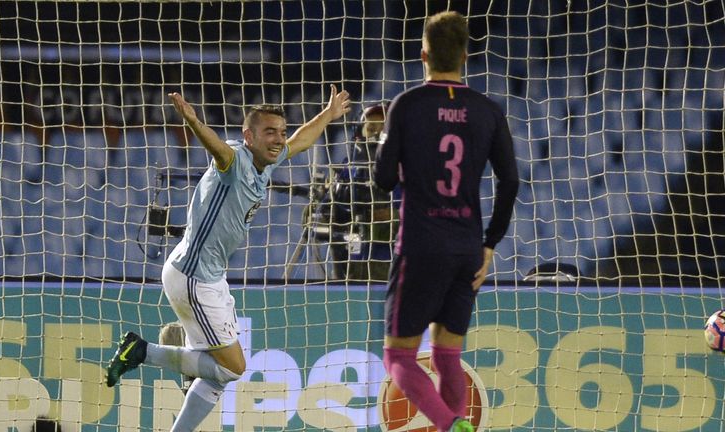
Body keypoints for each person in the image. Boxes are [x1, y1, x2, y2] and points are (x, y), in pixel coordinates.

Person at [105, 85, 351, 431]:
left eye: (280, 132)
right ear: (248, 135)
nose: (279, 139)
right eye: (269, 132)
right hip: (194, 277)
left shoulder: (267, 159)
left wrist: (328, 115)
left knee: (216, 375)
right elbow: (219, 150)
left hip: (205, 274)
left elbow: (301, 140)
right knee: (233, 367)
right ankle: (143, 351)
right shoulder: (236, 160)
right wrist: (193, 121)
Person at [373, 11, 519, 432]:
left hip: (420, 244)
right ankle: (452, 424)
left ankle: (450, 425)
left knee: (399, 357)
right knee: (446, 355)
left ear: (423, 55)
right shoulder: (487, 110)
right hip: (467, 248)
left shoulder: (407, 105)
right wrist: (489, 244)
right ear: (466, 56)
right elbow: (509, 181)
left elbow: (383, 181)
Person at [316, 103, 400, 281]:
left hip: (394, 268)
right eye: (371, 128)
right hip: (351, 267)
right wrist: (324, 212)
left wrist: (388, 215)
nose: (377, 133)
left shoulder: (406, 171)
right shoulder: (348, 171)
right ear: (359, 133)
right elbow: (325, 216)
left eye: (383, 128)